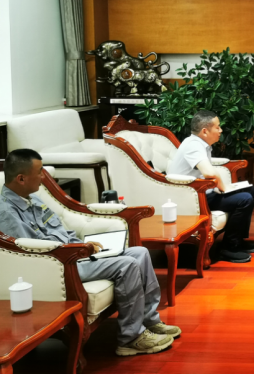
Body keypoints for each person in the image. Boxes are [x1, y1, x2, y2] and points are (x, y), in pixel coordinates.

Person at [0, 149, 181, 357]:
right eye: (40, 171)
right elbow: (33, 254)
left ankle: (149, 320)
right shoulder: (6, 213)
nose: (43, 176)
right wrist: (77, 252)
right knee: (127, 265)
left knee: (140, 253)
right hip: (61, 267)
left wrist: (83, 245)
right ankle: (131, 338)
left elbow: (62, 232)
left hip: (73, 255)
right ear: (21, 178)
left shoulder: (32, 199)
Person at [167, 110, 254, 264]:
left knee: (251, 191)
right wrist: (225, 189)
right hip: (192, 199)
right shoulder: (193, 145)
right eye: (217, 127)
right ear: (205, 131)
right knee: (244, 199)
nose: (220, 130)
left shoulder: (199, 144)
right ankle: (228, 248)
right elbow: (209, 172)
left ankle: (237, 240)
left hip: (202, 193)